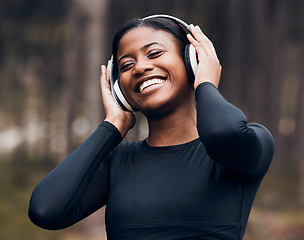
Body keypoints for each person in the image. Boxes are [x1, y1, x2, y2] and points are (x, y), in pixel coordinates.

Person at [28, 15, 275, 240]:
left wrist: (206, 82)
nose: (140, 68)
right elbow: (45, 210)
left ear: (191, 60)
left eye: (154, 53)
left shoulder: (248, 144)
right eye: (126, 65)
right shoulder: (118, 161)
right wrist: (112, 126)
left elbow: (223, 133)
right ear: (119, 88)